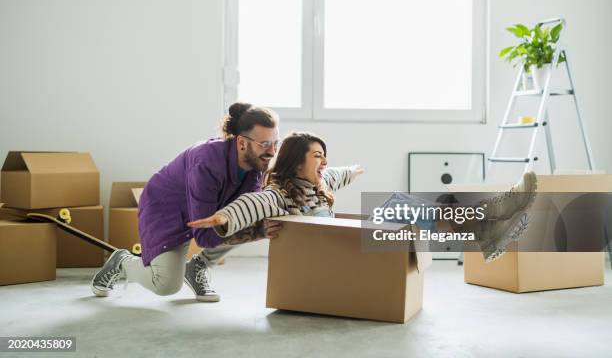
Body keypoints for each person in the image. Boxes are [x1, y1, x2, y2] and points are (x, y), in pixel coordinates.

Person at [188, 132, 537, 263]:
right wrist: (223, 218)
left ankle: (485, 224)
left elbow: (337, 174)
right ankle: (485, 224)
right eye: (316, 155)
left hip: (338, 248)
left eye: (325, 154)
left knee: (408, 207)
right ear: (296, 162)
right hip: (325, 256)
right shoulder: (280, 194)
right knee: (399, 207)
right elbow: (254, 204)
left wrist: (352, 169)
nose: (324, 162)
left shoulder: (320, 183)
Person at [90, 102, 283, 301]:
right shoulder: (207, 162)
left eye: (276, 143)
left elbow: (249, 209)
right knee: (166, 285)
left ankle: (197, 266)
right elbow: (204, 237)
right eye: (265, 144)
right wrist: (257, 231)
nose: (272, 151)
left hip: (204, 209)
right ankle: (123, 262)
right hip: (164, 208)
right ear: (242, 143)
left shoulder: (257, 163)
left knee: (247, 218)